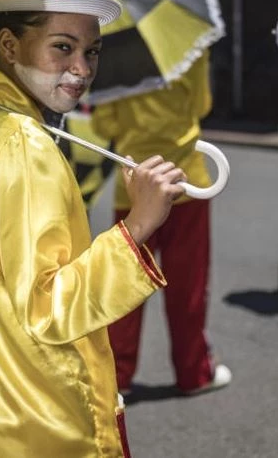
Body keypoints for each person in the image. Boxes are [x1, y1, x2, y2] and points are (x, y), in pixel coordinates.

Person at [0, 0, 187, 457]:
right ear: (9, 44)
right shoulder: (24, 146)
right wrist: (137, 227)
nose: (80, 69)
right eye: (62, 47)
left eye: (91, 52)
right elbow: (47, 309)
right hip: (46, 418)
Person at [90, 49, 231, 396]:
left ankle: (118, 377)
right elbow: (201, 104)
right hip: (186, 181)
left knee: (125, 285)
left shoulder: (116, 53)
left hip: (135, 187)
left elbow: (103, 124)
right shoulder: (191, 48)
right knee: (189, 284)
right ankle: (193, 372)